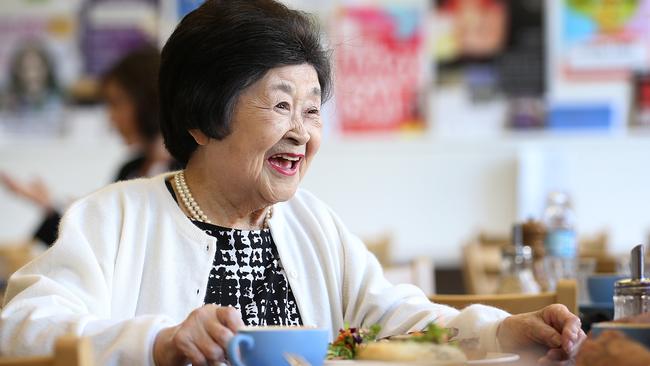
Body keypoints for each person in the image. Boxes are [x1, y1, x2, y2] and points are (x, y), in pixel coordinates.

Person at [0, 1, 585, 365]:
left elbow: (398, 322)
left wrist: (507, 330)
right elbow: (22, 330)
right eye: (281, 106)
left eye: (312, 110)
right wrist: (159, 342)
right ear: (203, 119)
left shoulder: (312, 223)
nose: (302, 134)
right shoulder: (117, 218)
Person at [0, 46, 178, 246]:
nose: (111, 117)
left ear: (148, 99)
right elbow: (98, 243)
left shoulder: (185, 172)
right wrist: (50, 208)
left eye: (117, 103)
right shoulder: (129, 169)